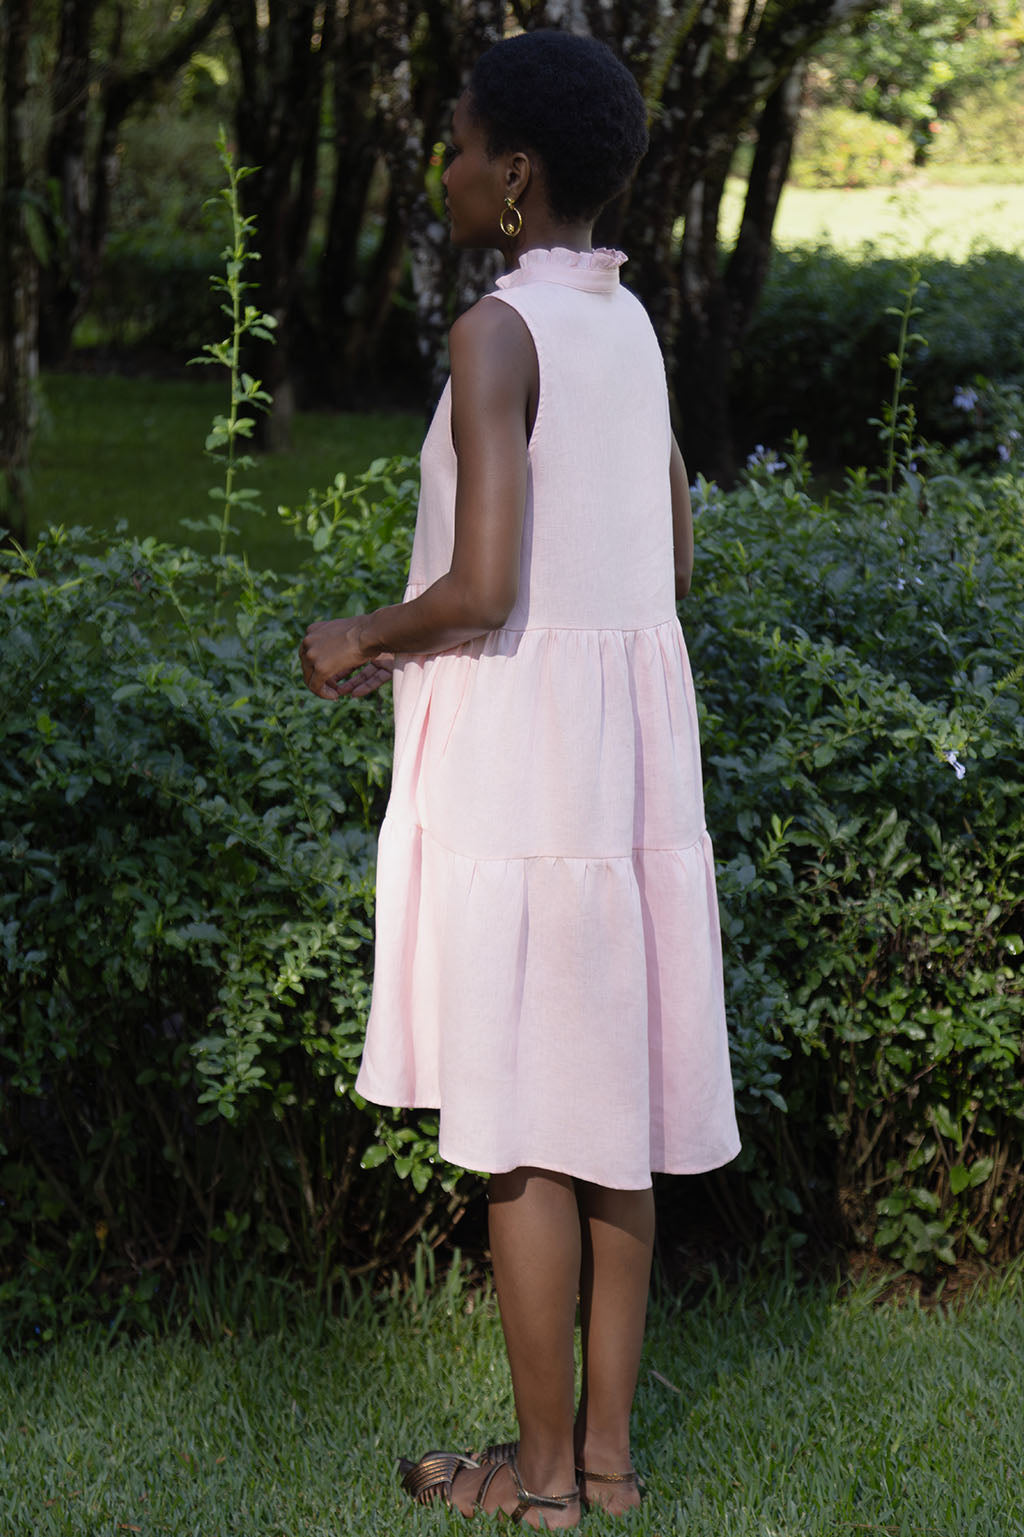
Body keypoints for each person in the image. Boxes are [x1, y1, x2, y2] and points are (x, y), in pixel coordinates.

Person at [299, 28, 740, 1529]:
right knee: (612, 1114)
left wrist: (362, 632)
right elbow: (671, 558)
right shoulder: (633, 323)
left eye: (460, 143)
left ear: (518, 172)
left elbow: (485, 588)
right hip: (627, 761)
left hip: (523, 762)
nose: (447, 167)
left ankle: (540, 1487)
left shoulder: (497, 333)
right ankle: (605, 1464)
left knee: (524, 1133)